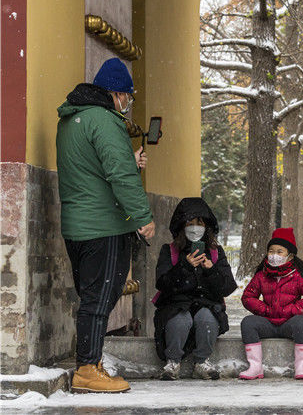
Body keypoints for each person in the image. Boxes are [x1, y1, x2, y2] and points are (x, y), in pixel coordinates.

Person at [57, 57, 155, 394]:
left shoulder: (72, 119)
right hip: (104, 225)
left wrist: (130, 158)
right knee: (101, 297)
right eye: (127, 96)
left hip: (77, 224)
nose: (128, 103)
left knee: (91, 295)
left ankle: (91, 361)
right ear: (116, 93)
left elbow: (89, 168)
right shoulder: (105, 120)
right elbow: (119, 175)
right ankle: (86, 369)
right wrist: (143, 218)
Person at [154, 198, 237, 381]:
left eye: (199, 223)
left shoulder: (215, 252)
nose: (194, 228)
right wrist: (184, 266)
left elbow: (228, 286)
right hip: (176, 304)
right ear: (181, 225)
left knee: (207, 318)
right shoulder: (169, 251)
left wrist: (210, 270)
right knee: (180, 319)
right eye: (190, 223)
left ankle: (201, 361)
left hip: (206, 303)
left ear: (206, 226)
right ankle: (172, 362)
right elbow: (162, 283)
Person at [239, 228, 303, 380]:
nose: (274, 255)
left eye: (279, 252)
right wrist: (264, 310)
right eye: (271, 251)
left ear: (290, 256)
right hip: (268, 322)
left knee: (302, 323)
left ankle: (301, 365)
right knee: (248, 323)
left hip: (289, 323)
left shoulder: (297, 276)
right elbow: (247, 297)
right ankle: (255, 366)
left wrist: (293, 310)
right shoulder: (261, 275)